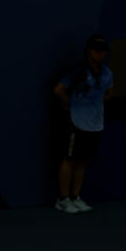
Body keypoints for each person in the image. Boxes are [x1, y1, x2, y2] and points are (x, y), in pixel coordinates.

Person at [52, 34, 114, 214]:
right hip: (76, 123)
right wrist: (70, 104)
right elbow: (58, 90)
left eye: (103, 51)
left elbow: (109, 93)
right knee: (69, 159)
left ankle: (75, 197)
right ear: (88, 51)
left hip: (95, 124)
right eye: (96, 50)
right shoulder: (79, 72)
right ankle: (62, 200)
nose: (100, 54)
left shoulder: (107, 73)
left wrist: (95, 101)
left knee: (83, 161)